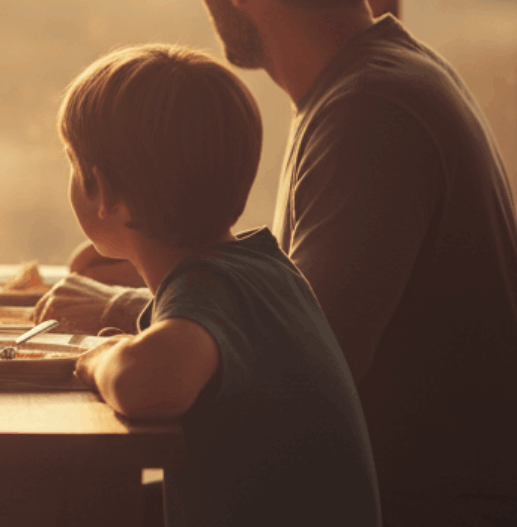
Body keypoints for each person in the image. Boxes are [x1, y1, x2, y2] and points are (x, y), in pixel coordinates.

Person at [39, 0, 517, 523]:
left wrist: (122, 315)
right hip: (389, 491)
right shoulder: (367, 85)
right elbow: (280, 319)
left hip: (425, 506)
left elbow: (299, 345)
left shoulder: (371, 114)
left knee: (43, 502)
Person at [62, 44, 379, 526]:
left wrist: (100, 360)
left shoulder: (206, 285)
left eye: (71, 161)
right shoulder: (267, 268)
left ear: (103, 191)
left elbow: (150, 383)